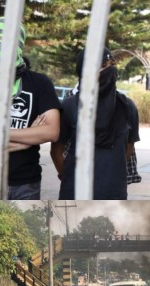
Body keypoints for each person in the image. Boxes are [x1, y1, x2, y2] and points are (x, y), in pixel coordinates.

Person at [0, 17, 61, 200]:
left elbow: (52, 131)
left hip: (25, 184)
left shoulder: (40, 83)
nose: (1, 44)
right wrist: (25, 140)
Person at [51, 47, 139, 200]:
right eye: (102, 66)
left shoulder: (127, 107)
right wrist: (70, 176)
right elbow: (56, 151)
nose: (109, 70)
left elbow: (129, 147)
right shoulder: (70, 106)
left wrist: (110, 170)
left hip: (114, 192)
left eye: (111, 64)